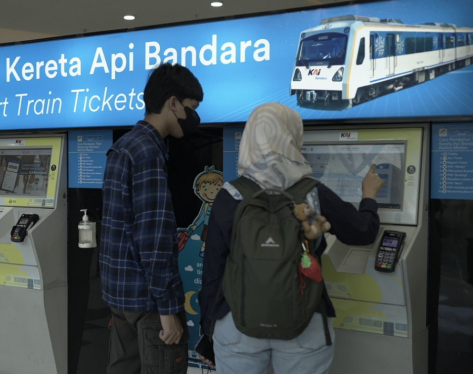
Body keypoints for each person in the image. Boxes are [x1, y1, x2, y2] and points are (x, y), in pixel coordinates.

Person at [197, 103, 385, 373]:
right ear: (293, 136)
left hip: (237, 325)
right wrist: (369, 197)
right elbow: (363, 231)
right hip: (305, 323)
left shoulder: (230, 195)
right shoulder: (313, 192)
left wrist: (208, 330)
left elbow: (213, 269)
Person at [100, 63, 204, 374]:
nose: (194, 116)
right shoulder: (148, 152)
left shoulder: (124, 146)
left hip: (119, 295)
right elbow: (153, 238)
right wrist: (168, 309)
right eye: (191, 108)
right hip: (147, 301)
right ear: (173, 103)